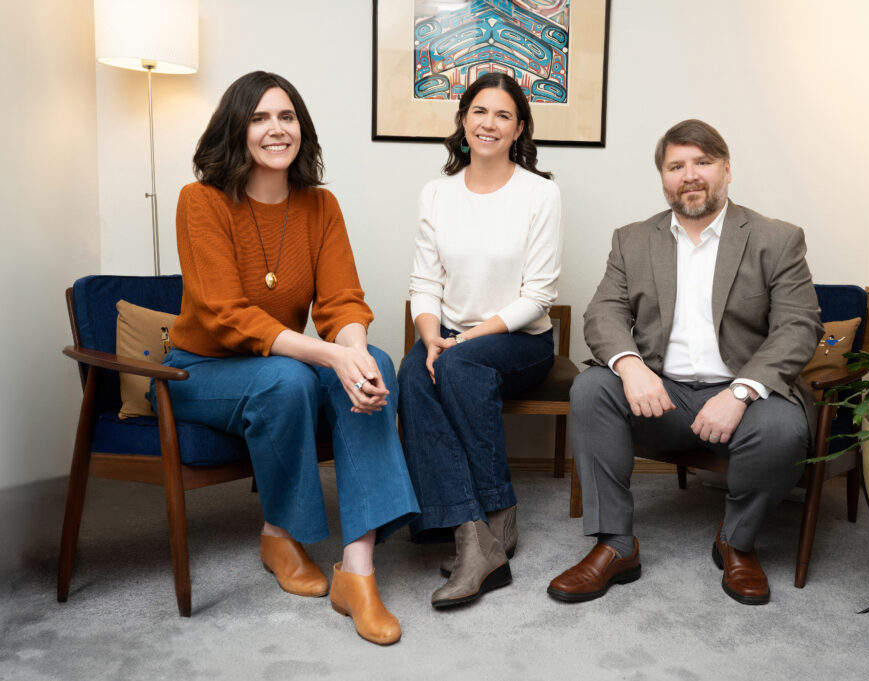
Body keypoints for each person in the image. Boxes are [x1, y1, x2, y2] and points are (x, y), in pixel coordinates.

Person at [161, 71, 419, 645]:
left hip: (281, 359)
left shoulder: (319, 206)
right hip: (198, 369)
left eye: (286, 117)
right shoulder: (199, 200)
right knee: (288, 381)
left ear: (301, 128)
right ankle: (280, 534)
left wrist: (352, 356)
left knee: (373, 358)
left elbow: (342, 300)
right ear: (236, 128)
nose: (275, 129)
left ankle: (358, 570)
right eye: (259, 118)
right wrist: (329, 356)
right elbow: (228, 314)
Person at [548, 119, 822, 606]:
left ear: (727, 169)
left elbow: (797, 326)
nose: (689, 175)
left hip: (742, 399)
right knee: (591, 389)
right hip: (662, 396)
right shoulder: (633, 239)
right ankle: (615, 544)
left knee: (784, 428)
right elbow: (604, 313)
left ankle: (737, 541)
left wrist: (740, 393)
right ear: (663, 177)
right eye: (676, 166)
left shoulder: (776, 238)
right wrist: (632, 367)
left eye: (702, 162)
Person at [398, 72, 562, 609]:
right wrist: (430, 339)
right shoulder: (436, 193)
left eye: (503, 115)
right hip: (447, 337)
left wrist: (463, 341)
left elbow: (537, 296)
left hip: (520, 338)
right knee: (411, 374)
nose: (489, 123)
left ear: (519, 129)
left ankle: (498, 515)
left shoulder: (540, 193)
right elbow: (424, 284)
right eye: (480, 112)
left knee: (458, 366)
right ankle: (474, 535)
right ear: (463, 121)